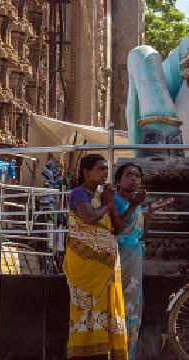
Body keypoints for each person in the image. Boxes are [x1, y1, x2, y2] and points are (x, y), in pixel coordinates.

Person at [64, 154, 129, 360]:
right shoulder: (78, 193)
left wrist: (131, 205)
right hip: (85, 266)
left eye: (106, 169)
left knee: (108, 312)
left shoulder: (103, 196)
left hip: (107, 267)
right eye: (100, 169)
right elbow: (89, 218)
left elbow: (117, 228)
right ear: (86, 172)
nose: (105, 173)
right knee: (85, 310)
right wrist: (108, 205)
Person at [113, 163, 173, 360]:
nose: (134, 179)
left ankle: (127, 354)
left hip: (135, 256)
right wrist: (133, 206)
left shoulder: (136, 202)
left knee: (133, 307)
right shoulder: (113, 200)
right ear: (119, 179)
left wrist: (150, 213)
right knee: (118, 305)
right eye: (129, 175)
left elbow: (142, 234)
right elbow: (118, 229)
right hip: (118, 256)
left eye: (137, 175)